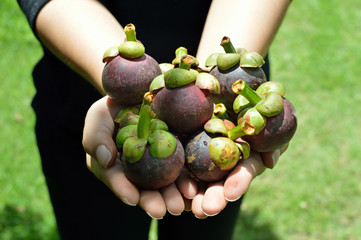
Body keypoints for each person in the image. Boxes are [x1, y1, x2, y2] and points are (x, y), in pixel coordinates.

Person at [17, 0, 291, 239]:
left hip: (225, 106)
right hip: (88, 109)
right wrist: (125, 97)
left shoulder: (231, 107)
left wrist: (213, 84)